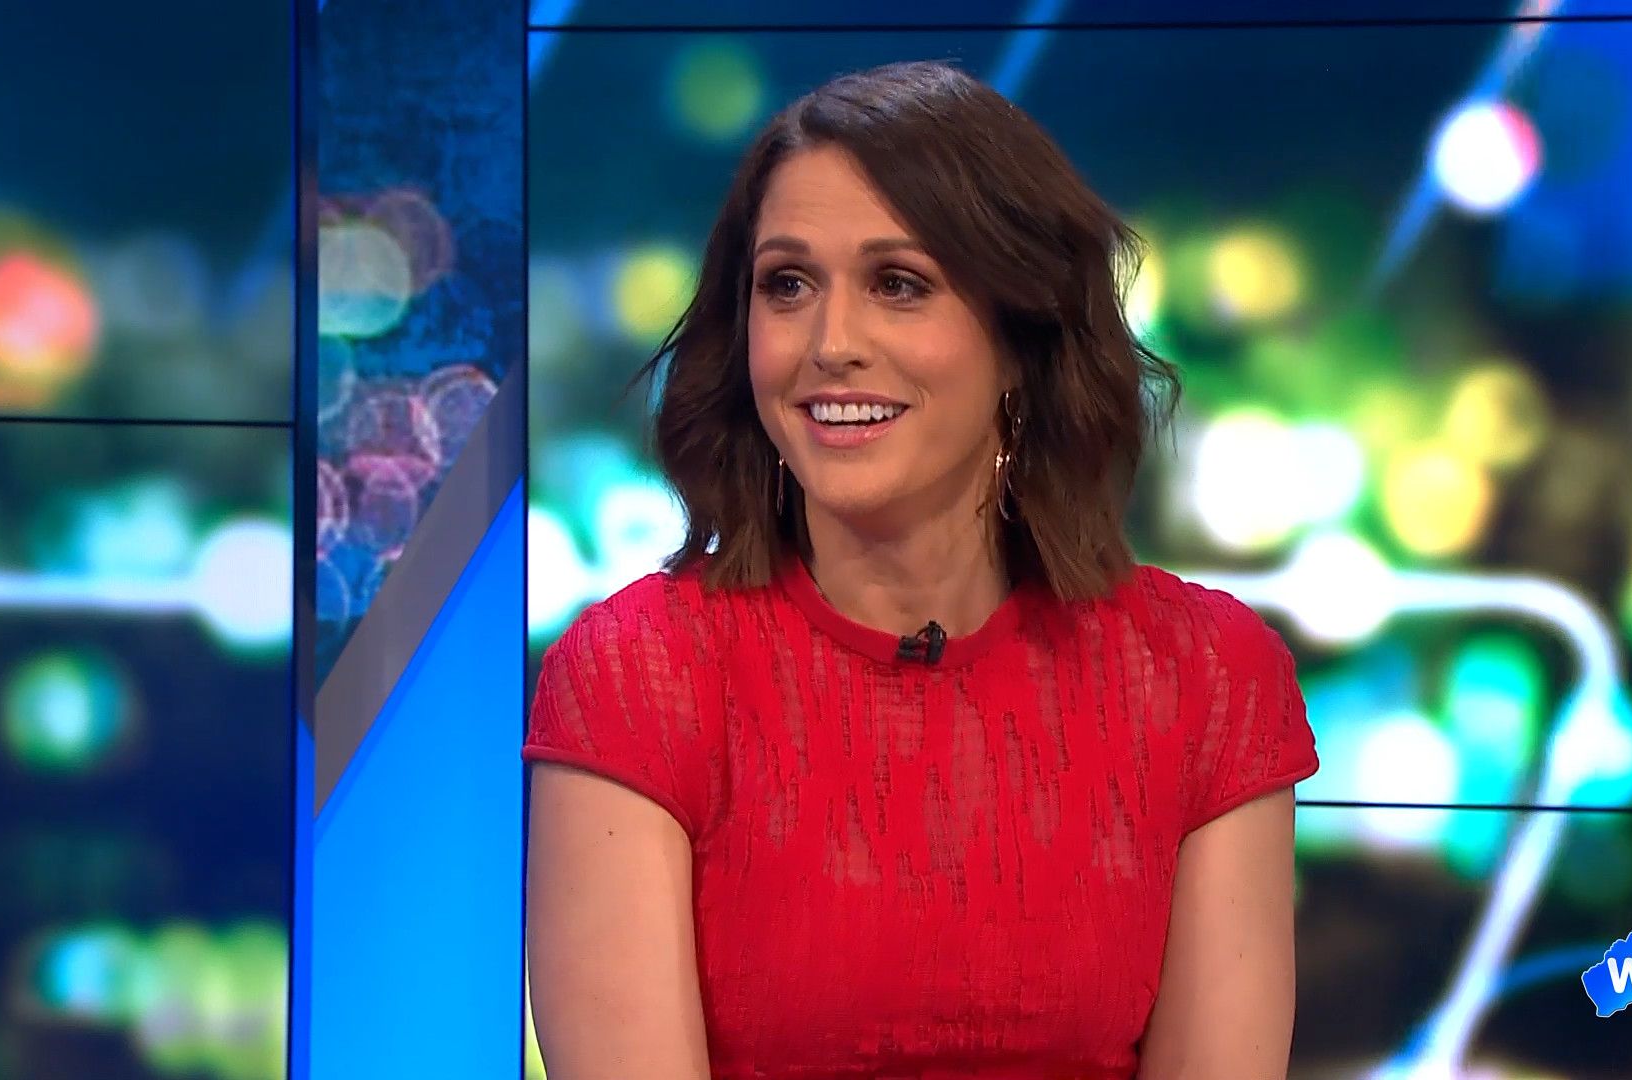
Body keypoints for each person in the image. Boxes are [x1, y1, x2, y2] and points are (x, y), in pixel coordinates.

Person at [524, 59, 1319, 1080]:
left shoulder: (1203, 679)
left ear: (1021, 335)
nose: (830, 343)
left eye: (898, 284)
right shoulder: (639, 677)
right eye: (787, 285)